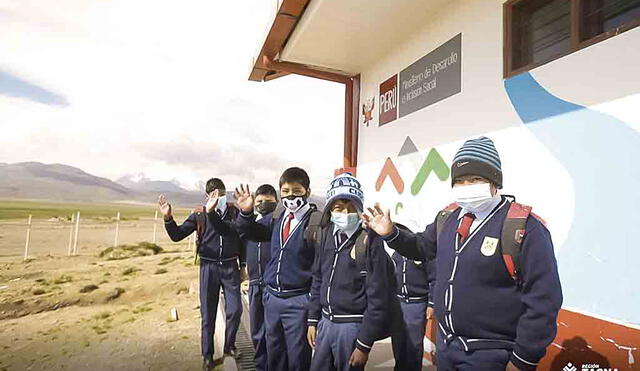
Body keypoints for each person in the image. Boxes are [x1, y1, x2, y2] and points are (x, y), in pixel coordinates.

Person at [363, 137, 563, 371]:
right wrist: (391, 233)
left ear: (494, 181)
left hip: (491, 354)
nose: (467, 186)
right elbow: (421, 247)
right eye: (461, 180)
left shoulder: (524, 228)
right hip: (448, 348)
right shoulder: (447, 218)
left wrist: (522, 360)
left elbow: (544, 301)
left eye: (476, 179)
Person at [234, 167, 321, 371]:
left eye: (297, 191)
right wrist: (246, 213)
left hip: (298, 302)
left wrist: (313, 313)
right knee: (274, 354)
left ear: (307, 192)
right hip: (272, 300)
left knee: (297, 359)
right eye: (285, 191)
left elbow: (319, 271)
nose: (291, 196)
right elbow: (250, 232)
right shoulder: (278, 217)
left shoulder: (316, 223)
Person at [307, 173, 395, 371]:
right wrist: (313, 320)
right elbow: (318, 278)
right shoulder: (325, 234)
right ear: (329, 210)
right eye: (338, 207)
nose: (344, 213)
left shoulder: (369, 242)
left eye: (350, 207)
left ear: (360, 209)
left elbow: (378, 298)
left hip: (352, 327)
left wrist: (363, 344)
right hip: (324, 322)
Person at [158, 178, 244, 370]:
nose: (219, 197)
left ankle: (229, 346)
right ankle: (207, 355)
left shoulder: (234, 212)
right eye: (214, 194)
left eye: (221, 194)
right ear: (207, 196)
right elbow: (177, 235)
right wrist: (168, 218)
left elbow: (242, 239)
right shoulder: (199, 215)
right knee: (208, 314)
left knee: (236, 310)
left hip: (231, 266)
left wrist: (243, 265)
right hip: (208, 268)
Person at [241, 184, 278, 371]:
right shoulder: (250, 225)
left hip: (273, 285)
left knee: (273, 331)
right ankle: (260, 365)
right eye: (260, 201)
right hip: (255, 283)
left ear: (277, 202)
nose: (264, 204)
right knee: (257, 329)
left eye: (269, 201)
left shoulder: (277, 223)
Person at [390, 250, 435, 371]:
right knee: (398, 341)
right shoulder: (396, 255)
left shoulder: (423, 254)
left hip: (417, 305)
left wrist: (431, 303)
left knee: (414, 344)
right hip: (398, 304)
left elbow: (433, 279)